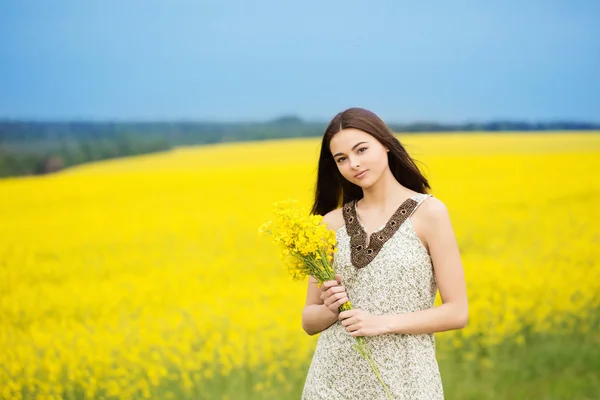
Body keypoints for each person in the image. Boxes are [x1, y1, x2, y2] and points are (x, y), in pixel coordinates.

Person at [300, 107, 468, 399]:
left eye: (361, 150)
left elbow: (457, 311)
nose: (353, 163)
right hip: (331, 384)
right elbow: (308, 320)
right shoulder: (329, 224)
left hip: (407, 383)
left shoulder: (430, 213)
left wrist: (381, 323)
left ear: (386, 144)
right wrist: (331, 309)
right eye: (342, 159)